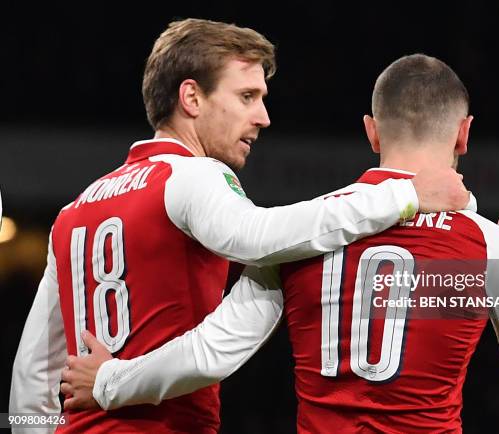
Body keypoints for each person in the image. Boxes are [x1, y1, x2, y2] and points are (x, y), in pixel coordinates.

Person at [9, 19, 469, 434]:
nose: (263, 117)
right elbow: (260, 238)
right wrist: (402, 195)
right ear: (191, 98)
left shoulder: (73, 213)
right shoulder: (192, 176)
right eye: (247, 97)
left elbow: (32, 374)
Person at [60, 54, 499, 432]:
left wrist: (109, 381)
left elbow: (214, 351)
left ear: (371, 132)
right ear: (464, 134)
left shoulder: (300, 235)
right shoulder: (494, 246)